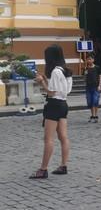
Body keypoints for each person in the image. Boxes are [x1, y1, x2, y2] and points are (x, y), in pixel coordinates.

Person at [30, 45, 73, 179]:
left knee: (48, 139)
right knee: (63, 137)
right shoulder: (66, 71)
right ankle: (63, 165)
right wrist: (45, 79)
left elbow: (51, 92)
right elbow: (63, 90)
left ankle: (43, 169)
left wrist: (42, 82)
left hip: (53, 105)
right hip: (63, 104)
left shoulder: (55, 71)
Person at [84, 54, 101, 123]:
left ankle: (96, 115)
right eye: (88, 59)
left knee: (95, 101)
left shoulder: (97, 68)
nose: (89, 60)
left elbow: (100, 77)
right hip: (88, 87)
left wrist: (99, 85)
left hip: (96, 87)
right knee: (90, 101)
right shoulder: (86, 68)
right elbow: (85, 77)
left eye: (90, 59)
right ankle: (92, 115)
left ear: (93, 60)